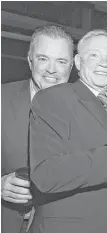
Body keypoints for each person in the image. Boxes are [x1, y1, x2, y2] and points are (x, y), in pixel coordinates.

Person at [28, 29, 107, 233]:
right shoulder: (53, 98)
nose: (103, 63)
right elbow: (45, 174)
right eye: (94, 55)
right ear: (77, 62)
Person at [1, 25, 74, 233]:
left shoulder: (86, 107)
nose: (52, 69)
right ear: (30, 60)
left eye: (61, 61)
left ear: (71, 66)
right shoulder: (2, 99)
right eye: (43, 58)